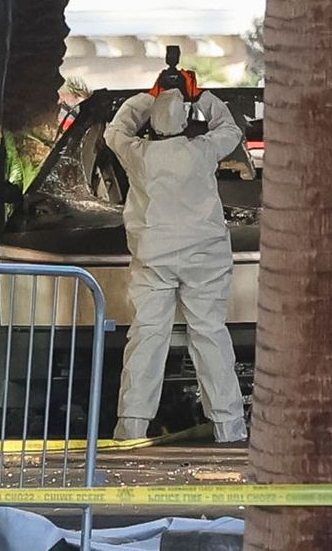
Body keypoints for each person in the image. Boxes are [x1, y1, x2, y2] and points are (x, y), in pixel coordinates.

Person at [104, 85, 247, 443]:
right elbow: (230, 130)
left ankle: (131, 426)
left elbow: (115, 131)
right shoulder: (202, 150)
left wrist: (146, 98)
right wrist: (202, 96)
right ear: (186, 122)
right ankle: (229, 428)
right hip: (205, 259)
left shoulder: (139, 154)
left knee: (147, 338)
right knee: (210, 336)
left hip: (154, 257)